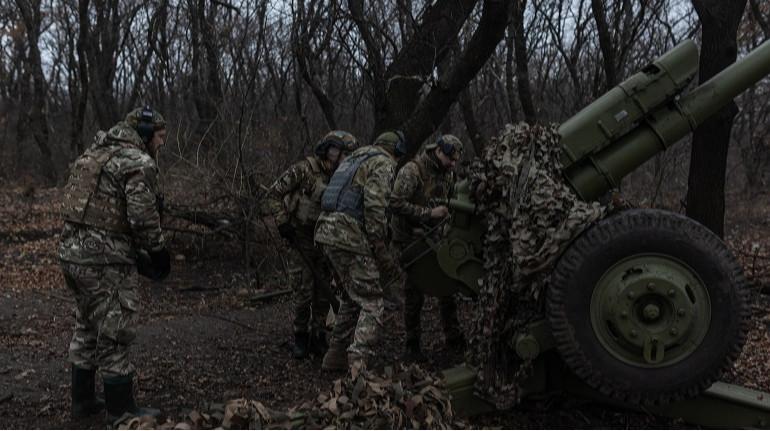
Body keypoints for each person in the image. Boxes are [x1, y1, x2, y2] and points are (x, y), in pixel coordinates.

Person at [59, 107, 170, 422]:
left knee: (86, 324)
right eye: (160, 137)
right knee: (115, 329)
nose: (162, 144)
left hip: (71, 253)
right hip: (105, 260)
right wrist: (158, 252)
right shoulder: (138, 162)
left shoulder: (93, 154)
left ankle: (82, 403)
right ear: (146, 134)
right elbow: (141, 217)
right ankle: (121, 411)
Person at [314, 130, 408, 371]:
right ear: (396, 151)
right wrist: (380, 248)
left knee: (351, 296)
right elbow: (375, 206)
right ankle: (358, 362)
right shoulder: (383, 162)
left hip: (326, 231)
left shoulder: (355, 158)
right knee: (373, 301)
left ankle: (334, 355)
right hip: (349, 236)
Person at [264, 130, 359, 359]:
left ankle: (319, 336)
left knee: (324, 292)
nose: (345, 159)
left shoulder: (343, 176)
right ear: (330, 150)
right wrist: (282, 221)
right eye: (342, 153)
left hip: (326, 240)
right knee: (302, 291)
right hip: (301, 236)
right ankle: (300, 336)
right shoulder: (304, 170)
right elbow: (273, 194)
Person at [390, 134, 466, 362]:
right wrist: (428, 214)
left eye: (456, 160)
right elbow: (395, 203)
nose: (453, 164)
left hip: (435, 236)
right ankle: (412, 344)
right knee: (414, 291)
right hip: (410, 239)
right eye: (450, 159)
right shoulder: (413, 171)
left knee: (448, 285)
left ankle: (453, 336)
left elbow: (451, 201)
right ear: (439, 151)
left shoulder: (449, 174)